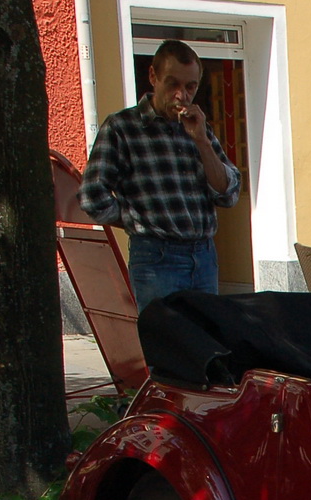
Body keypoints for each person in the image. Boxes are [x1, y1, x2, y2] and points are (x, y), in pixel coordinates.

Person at [80, 39, 239, 310]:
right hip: (157, 256)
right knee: (167, 343)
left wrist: (201, 141)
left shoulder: (199, 128)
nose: (181, 96)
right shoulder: (123, 128)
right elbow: (92, 196)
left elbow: (228, 194)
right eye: (172, 84)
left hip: (203, 254)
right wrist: (136, 220)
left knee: (209, 342)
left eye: (190, 87)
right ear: (153, 77)